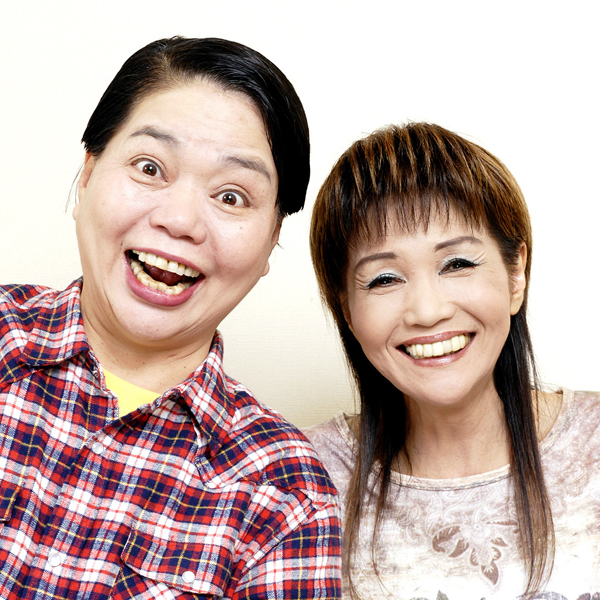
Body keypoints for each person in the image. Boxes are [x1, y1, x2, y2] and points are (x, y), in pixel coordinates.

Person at [0, 37, 340, 599]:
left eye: (231, 197)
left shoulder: (284, 498)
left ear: (272, 240)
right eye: (150, 167)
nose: (180, 220)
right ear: (88, 173)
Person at [304, 122, 600, 599]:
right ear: (347, 310)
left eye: (457, 264)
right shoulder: (301, 475)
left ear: (516, 275)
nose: (427, 311)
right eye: (384, 279)